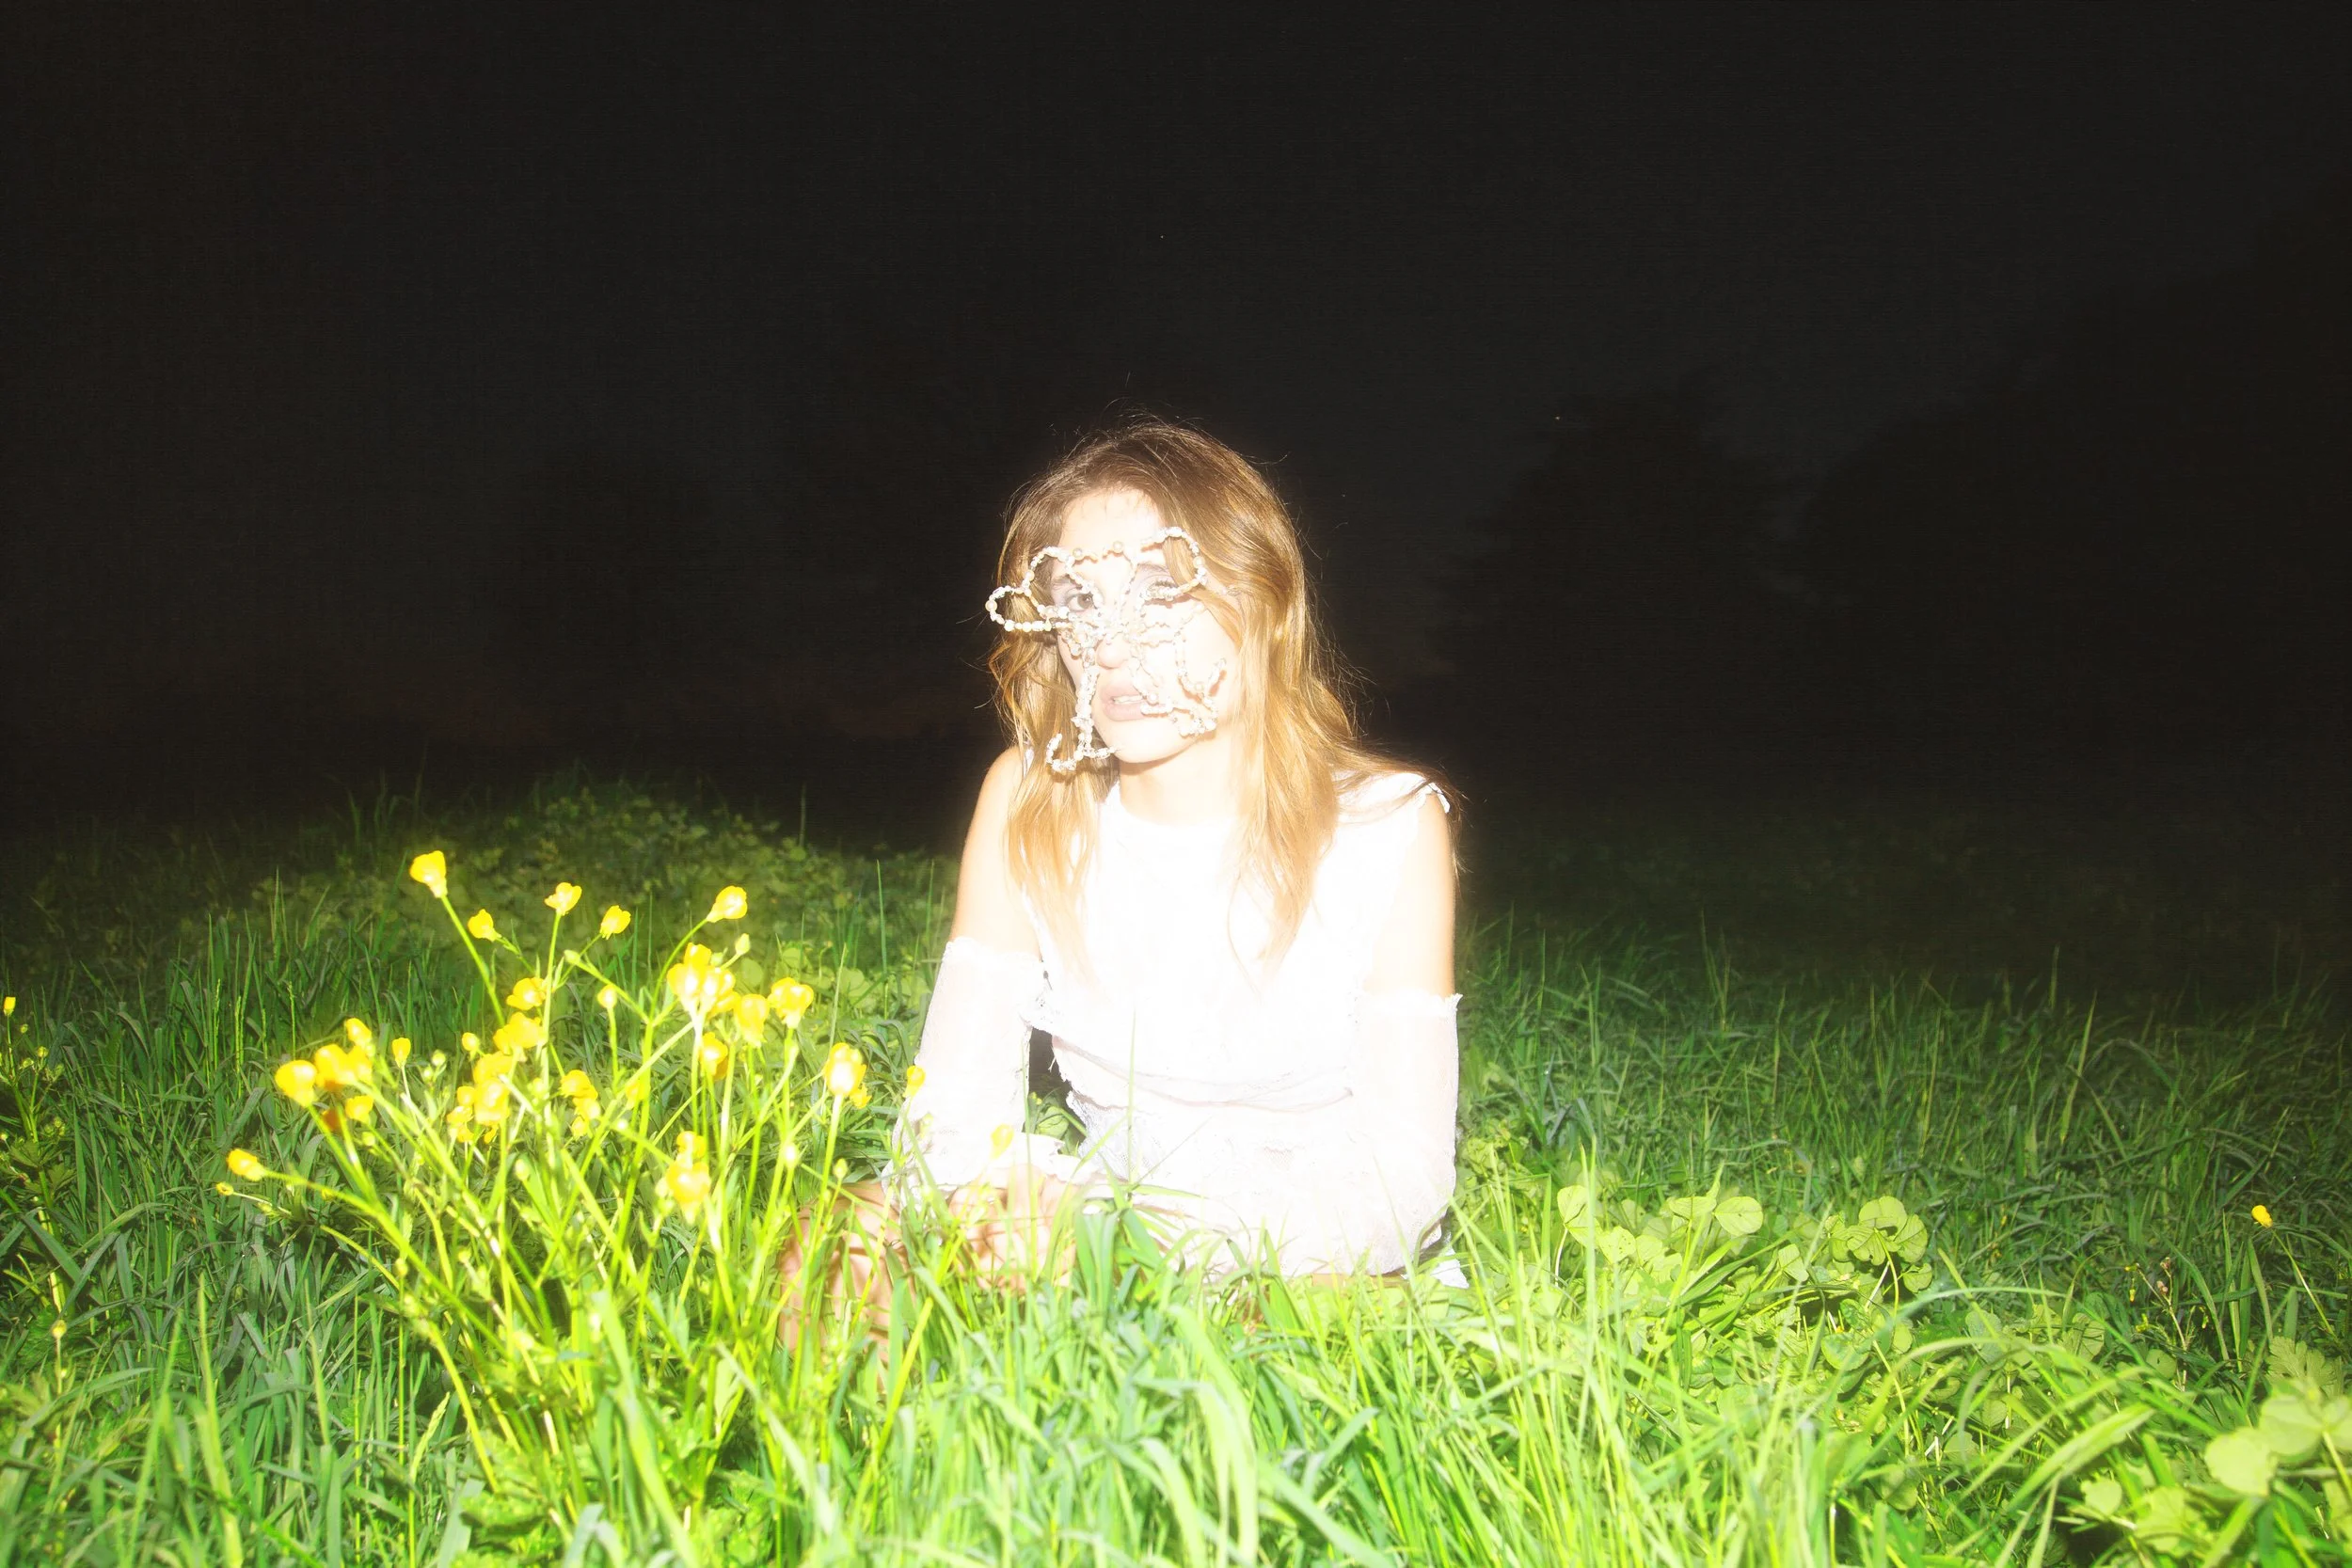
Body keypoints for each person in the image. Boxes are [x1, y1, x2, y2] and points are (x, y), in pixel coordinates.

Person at [897, 418, 1460, 1280]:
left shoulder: (1387, 828)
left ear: (1262, 604)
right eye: (1080, 601)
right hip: (1091, 1235)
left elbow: (1403, 1182)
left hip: (1310, 1269)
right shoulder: (1030, 799)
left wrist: (1137, 1239)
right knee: (842, 1238)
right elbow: (947, 1121)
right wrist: (1015, 1217)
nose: (1113, 646)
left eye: (1161, 592)